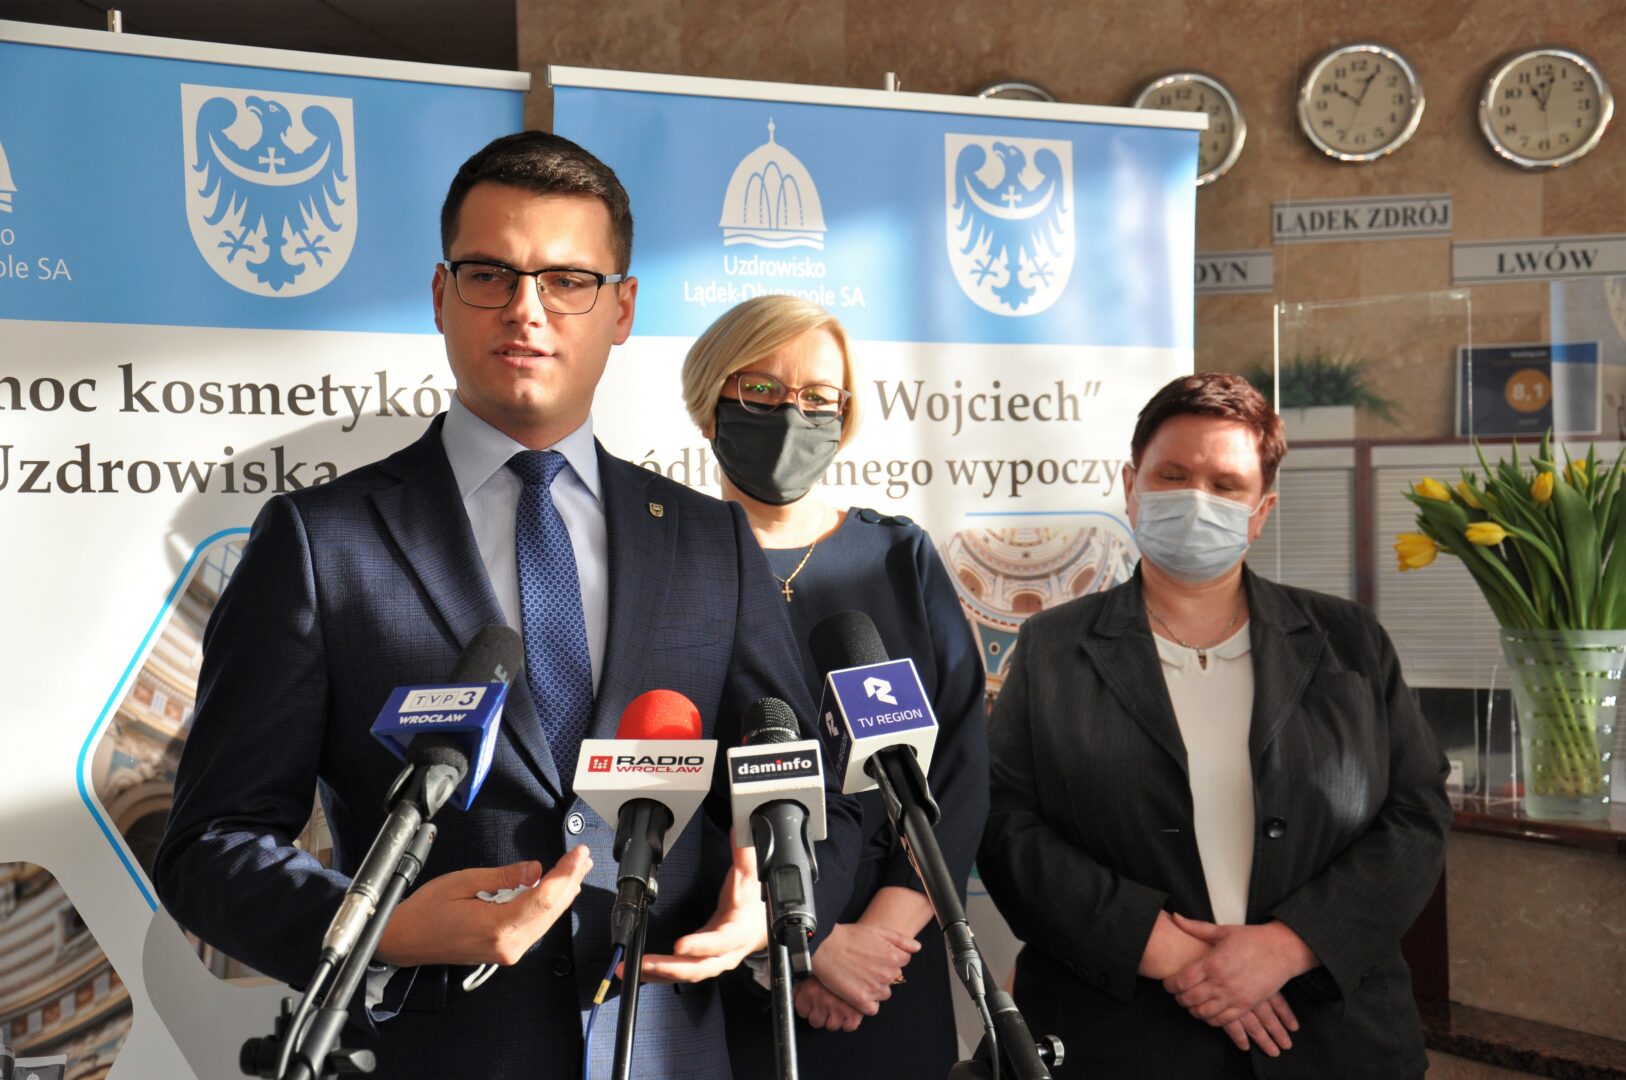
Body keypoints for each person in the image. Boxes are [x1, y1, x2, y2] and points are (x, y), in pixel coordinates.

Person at [154, 132, 860, 1080]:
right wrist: (385, 929)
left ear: (622, 308)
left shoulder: (708, 540)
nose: (527, 310)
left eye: (568, 280)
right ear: (441, 295)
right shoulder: (322, 542)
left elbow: (814, 785)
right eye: (490, 274)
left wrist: (771, 900)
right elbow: (211, 843)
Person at [977, 372, 1451, 1079]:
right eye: (1172, 476)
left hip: (1332, 1036)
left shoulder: (1349, 642)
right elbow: (1006, 825)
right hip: (1120, 1037)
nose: (1196, 499)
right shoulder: (1053, 648)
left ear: (1261, 511)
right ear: (1131, 487)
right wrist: (1167, 951)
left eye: (1226, 485)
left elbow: (1417, 814)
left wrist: (1289, 945)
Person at [679, 295, 989, 1079]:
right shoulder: (665, 566)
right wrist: (803, 943)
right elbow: (663, 785)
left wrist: (883, 935)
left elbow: (957, 768)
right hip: (726, 976)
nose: (793, 415)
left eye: (819, 396)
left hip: (888, 973)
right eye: (762, 389)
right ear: (711, 399)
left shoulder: (898, 558)